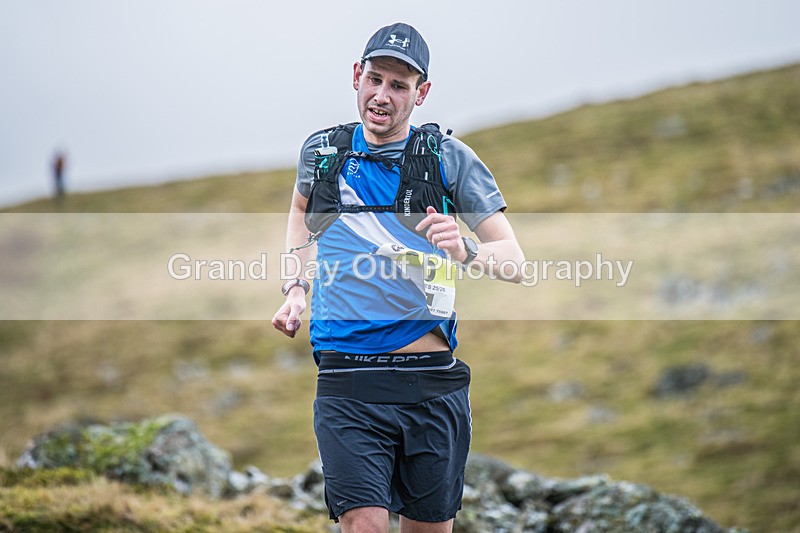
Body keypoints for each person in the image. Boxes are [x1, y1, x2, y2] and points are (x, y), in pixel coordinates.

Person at [272, 22, 524, 533]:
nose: (382, 95)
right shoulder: (323, 155)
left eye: (399, 85)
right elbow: (300, 216)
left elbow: (515, 262)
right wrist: (295, 288)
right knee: (363, 525)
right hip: (347, 382)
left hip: (431, 386)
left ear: (421, 93)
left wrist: (465, 248)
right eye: (375, 78)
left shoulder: (448, 159)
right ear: (356, 77)